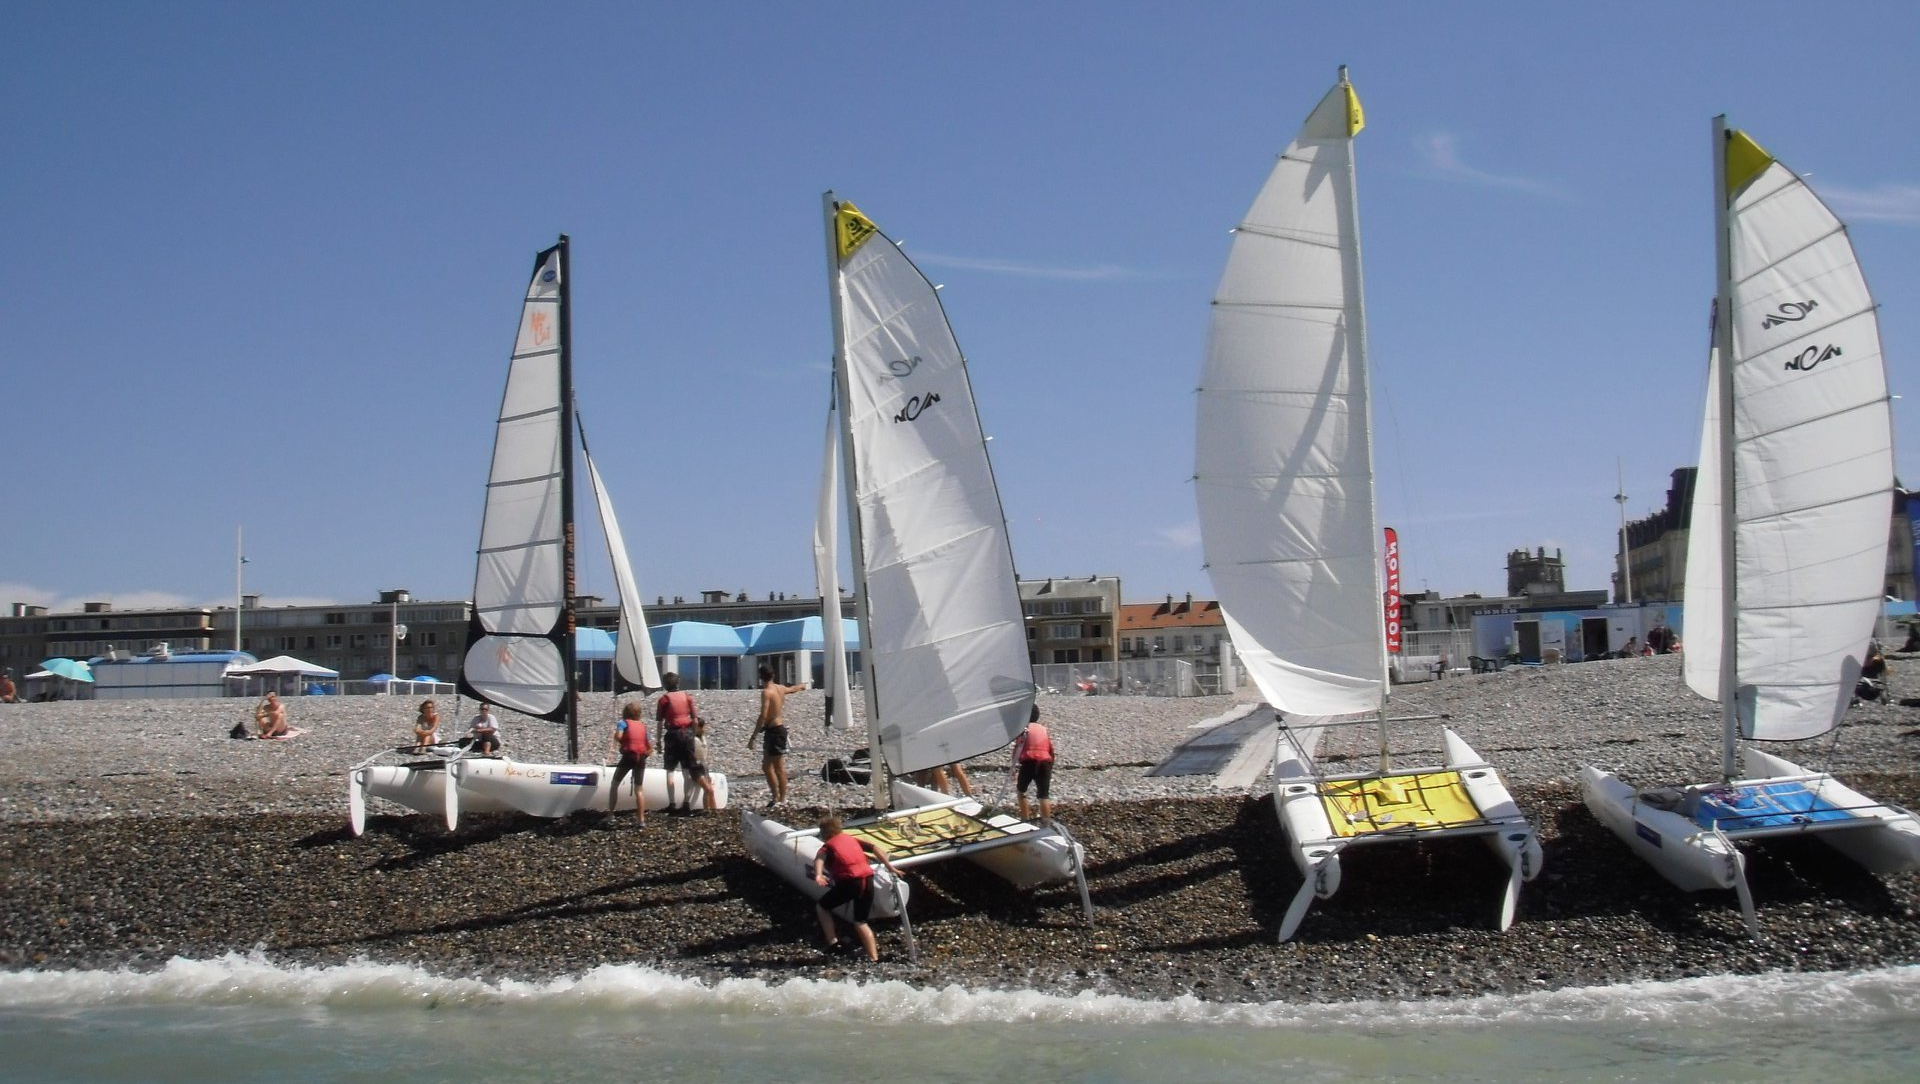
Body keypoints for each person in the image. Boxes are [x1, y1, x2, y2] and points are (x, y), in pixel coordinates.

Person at [810, 815, 902, 961]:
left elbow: (819, 859)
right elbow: (875, 848)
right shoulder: (851, 839)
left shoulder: (827, 846)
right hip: (868, 880)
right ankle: (874, 958)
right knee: (860, 921)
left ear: (825, 832)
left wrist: (818, 875)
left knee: (822, 906)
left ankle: (833, 943)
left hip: (851, 883)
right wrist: (890, 867)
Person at [749, 665, 807, 807]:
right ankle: (775, 797)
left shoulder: (766, 692)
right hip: (774, 731)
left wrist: (753, 737)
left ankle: (782, 799)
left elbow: (763, 715)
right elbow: (792, 689)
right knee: (766, 766)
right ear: (773, 675)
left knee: (778, 768)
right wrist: (801, 686)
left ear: (761, 677)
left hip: (776, 731)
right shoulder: (779, 688)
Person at [655, 672, 710, 812]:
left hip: (672, 734)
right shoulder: (688, 697)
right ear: (678, 683)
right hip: (687, 734)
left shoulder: (664, 700)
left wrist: (658, 741)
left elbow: (660, 723)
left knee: (670, 770)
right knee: (687, 770)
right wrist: (692, 735)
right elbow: (695, 720)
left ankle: (672, 803)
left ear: (665, 685)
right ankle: (686, 803)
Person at [609, 700, 651, 825]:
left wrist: (624, 744)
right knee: (639, 790)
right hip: (641, 757)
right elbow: (650, 748)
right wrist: (643, 756)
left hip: (629, 756)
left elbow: (618, 736)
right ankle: (641, 820)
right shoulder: (642, 727)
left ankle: (610, 815)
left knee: (614, 784)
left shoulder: (623, 723)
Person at [1012, 703, 1055, 823]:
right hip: (1044, 763)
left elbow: (1018, 748)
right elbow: (1051, 750)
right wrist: (1050, 766)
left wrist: (1013, 767)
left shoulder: (1024, 729)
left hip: (1029, 762)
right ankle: (1046, 824)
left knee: (1021, 792)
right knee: (1043, 795)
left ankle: (1025, 819)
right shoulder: (1043, 729)